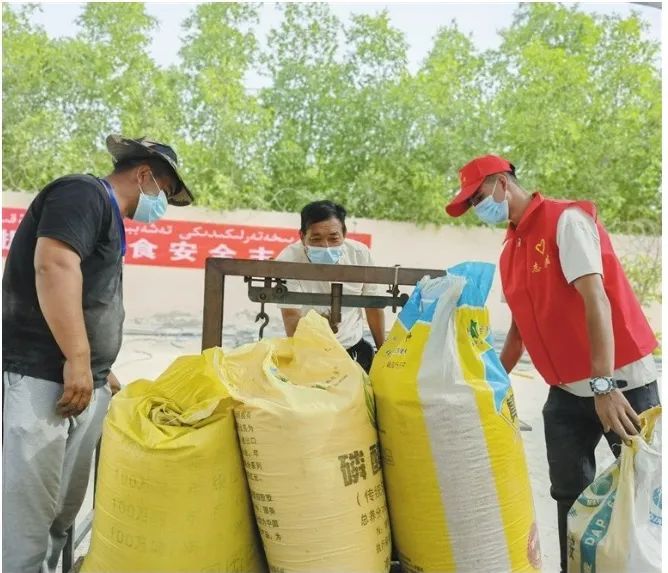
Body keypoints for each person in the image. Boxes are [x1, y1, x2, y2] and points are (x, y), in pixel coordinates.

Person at [445, 154, 659, 573]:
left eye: (478, 197)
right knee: (568, 494)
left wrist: (604, 386)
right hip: (565, 392)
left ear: (502, 183)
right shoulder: (510, 251)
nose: (477, 209)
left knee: (641, 490)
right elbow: (519, 334)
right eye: (470, 205)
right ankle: (573, 567)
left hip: (621, 385)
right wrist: (485, 387)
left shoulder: (566, 221)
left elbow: (595, 298)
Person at [2, 134, 193, 573]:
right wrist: (78, 358)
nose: (161, 205)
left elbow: (87, 297)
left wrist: (100, 369)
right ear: (144, 175)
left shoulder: (106, 214)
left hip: (78, 378)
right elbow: (54, 265)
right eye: (163, 192)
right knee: (27, 518)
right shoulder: (82, 193)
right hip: (41, 375)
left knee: (59, 513)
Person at [275, 200, 385, 373]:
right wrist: (302, 359)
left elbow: (372, 306)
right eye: (316, 239)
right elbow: (291, 315)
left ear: (344, 234)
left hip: (352, 348)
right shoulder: (289, 261)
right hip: (310, 351)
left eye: (333, 238)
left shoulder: (360, 256)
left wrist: (383, 352)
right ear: (302, 236)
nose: (326, 247)